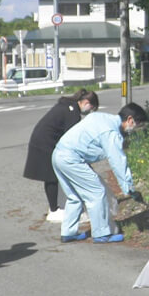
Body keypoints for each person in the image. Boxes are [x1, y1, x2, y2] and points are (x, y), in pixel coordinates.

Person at [52, 102, 147, 243]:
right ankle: (101, 233)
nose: (135, 129)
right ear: (130, 119)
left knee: (74, 196)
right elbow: (118, 162)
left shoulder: (102, 117)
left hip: (58, 154)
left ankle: (68, 232)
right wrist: (130, 189)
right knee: (97, 192)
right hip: (72, 159)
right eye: (137, 125)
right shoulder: (111, 133)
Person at [23, 89, 99, 223]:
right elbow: (73, 139)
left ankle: (58, 206)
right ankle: (54, 210)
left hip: (43, 140)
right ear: (86, 102)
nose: (89, 112)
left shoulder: (67, 106)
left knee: (56, 175)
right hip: (45, 143)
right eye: (91, 108)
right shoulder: (72, 112)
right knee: (51, 176)